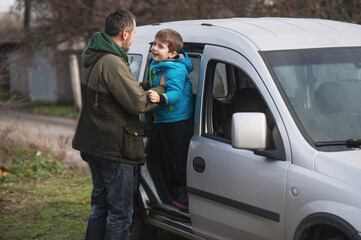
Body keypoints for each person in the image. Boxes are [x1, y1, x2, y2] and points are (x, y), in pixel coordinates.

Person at [72, 8, 166, 240]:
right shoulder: (112, 62)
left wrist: (143, 85)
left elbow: (115, 92)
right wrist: (162, 89)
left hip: (95, 142)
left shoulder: (94, 53)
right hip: (114, 147)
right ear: (124, 33)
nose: (133, 38)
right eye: (133, 33)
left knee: (100, 208)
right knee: (120, 213)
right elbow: (137, 103)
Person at [147, 29, 193, 210]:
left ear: (173, 53)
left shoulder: (174, 68)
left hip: (177, 120)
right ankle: (178, 190)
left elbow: (176, 93)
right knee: (172, 158)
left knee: (180, 159)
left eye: (160, 46)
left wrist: (160, 98)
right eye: (154, 44)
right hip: (166, 119)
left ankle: (187, 196)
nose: (154, 49)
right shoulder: (159, 64)